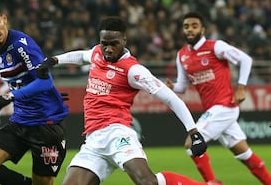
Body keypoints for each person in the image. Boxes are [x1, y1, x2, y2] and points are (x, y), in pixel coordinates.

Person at [38, 16, 222, 185]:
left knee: (147, 182)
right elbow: (81, 56)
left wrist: (193, 131)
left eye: (114, 44)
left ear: (124, 41)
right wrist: (54, 60)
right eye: (104, 44)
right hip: (93, 140)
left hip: (117, 134)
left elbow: (170, 97)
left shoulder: (133, 70)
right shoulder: (97, 53)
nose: (108, 49)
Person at [165, 12, 271, 184]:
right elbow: (182, 86)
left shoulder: (215, 46)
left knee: (192, 143)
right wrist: (172, 87)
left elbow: (245, 60)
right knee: (244, 153)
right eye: (186, 26)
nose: (190, 30)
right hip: (213, 110)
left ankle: (211, 182)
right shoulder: (182, 55)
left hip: (225, 106)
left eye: (194, 26)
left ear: (202, 29)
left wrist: (241, 87)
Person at [0, 0, 69, 185]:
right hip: (20, 121)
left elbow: (45, 82)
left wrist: (8, 97)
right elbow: (20, 80)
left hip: (45, 125)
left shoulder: (21, 45)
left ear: (4, 19)